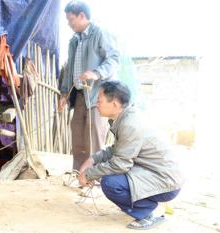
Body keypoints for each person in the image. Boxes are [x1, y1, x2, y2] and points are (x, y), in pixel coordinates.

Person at [78, 80, 184, 230]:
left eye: (99, 100)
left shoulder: (129, 123)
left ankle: (148, 213)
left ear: (114, 104)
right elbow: (118, 150)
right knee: (113, 176)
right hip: (162, 177)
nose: (96, 104)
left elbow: (120, 164)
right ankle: (146, 205)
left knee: (111, 183)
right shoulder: (127, 117)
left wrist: (88, 174)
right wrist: (93, 158)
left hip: (166, 182)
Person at [59, 1, 119, 171]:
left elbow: (114, 59)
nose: (69, 24)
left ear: (82, 16)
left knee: (94, 138)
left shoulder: (99, 33)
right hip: (79, 96)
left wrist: (96, 73)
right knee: (77, 136)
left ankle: (94, 177)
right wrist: (64, 94)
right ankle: (78, 174)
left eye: (71, 19)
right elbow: (69, 69)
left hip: (96, 97)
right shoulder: (73, 41)